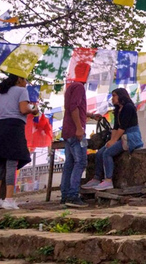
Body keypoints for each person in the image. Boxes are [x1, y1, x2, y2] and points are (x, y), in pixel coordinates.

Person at [82, 88, 143, 191]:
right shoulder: (117, 110)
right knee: (100, 153)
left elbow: (122, 128)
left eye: (114, 95)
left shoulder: (128, 107)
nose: (112, 98)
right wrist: (111, 141)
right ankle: (97, 178)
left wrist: (114, 141)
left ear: (121, 96)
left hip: (130, 137)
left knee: (107, 153)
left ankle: (108, 180)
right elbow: (115, 128)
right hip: (120, 136)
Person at [0, 74, 39, 209]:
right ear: (19, 79)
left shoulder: (1, 90)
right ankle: (9, 199)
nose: (26, 83)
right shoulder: (21, 91)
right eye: (25, 80)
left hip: (0, 126)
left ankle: (1, 198)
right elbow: (23, 109)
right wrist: (33, 110)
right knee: (12, 163)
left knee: (1, 164)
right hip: (13, 128)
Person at [60, 72, 99, 208]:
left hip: (68, 131)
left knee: (69, 164)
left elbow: (75, 108)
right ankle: (72, 195)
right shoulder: (79, 87)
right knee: (81, 162)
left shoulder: (71, 87)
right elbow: (73, 107)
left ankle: (65, 195)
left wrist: (91, 115)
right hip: (75, 131)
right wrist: (79, 128)